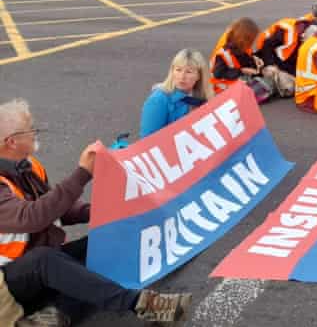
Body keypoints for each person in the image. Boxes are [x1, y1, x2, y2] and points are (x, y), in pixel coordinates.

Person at [0, 99, 190, 326]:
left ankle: (53, 317)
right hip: (8, 281)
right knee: (47, 260)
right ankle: (143, 304)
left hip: (35, 265)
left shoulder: (27, 165)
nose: (35, 134)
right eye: (31, 130)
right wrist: (83, 173)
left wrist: (99, 212)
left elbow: (54, 206)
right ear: (11, 141)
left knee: (103, 243)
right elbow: (31, 217)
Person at [253, 4, 317, 98]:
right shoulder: (286, 32)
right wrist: (270, 64)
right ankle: (262, 79)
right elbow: (266, 46)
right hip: (266, 56)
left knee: (299, 81)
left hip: (284, 60)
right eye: (308, 41)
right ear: (303, 35)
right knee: (288, 86)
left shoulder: (313, 28)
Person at [139, 49, 214, 138]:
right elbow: (148, 140)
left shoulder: (204, 98)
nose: (182, 77)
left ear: (199, 76)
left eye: (188, 72)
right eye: (178, 70)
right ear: (172, 71)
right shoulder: (158, 100)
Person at [210, 18, 274, 100]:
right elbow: (218, 74)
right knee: (261, 88)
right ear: (244, 39)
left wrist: (255, 60)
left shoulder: (240, 45)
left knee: (265, 84)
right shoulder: (223, 53)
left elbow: (245, 59)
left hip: (235, 81)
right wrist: (242, 70)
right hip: (221, 88)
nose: (252, 43)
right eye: (251, 40)